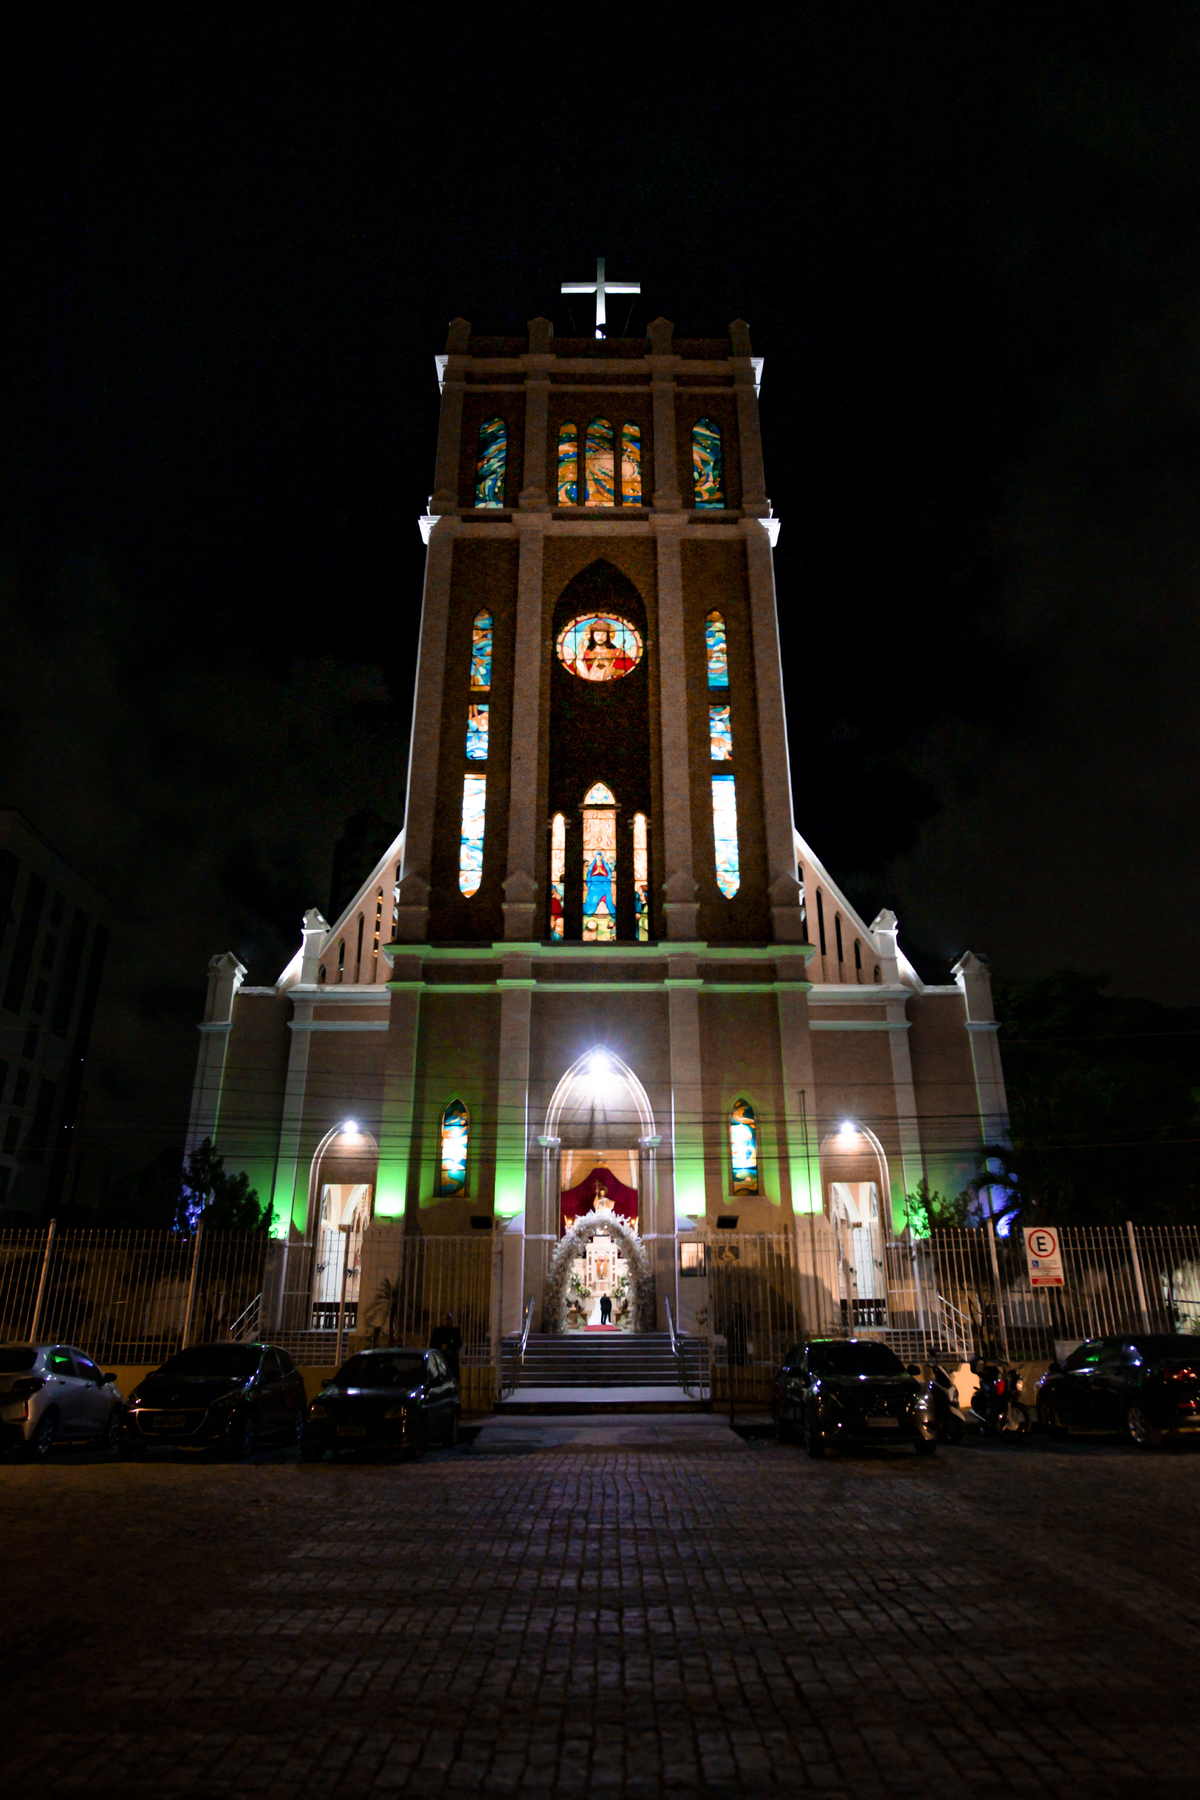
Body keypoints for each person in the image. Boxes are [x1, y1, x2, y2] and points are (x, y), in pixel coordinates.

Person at [430, 1311, 463, 1381]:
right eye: (444, 1319)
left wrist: (448, 1346)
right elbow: (432, 1344)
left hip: (451, 1361)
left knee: (453, 1378)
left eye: (448, 1319)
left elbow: (459, 1344)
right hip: (440, 1359)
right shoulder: (437, 1331)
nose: (446, 1321)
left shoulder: (455, 1331)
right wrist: (441, 1347)